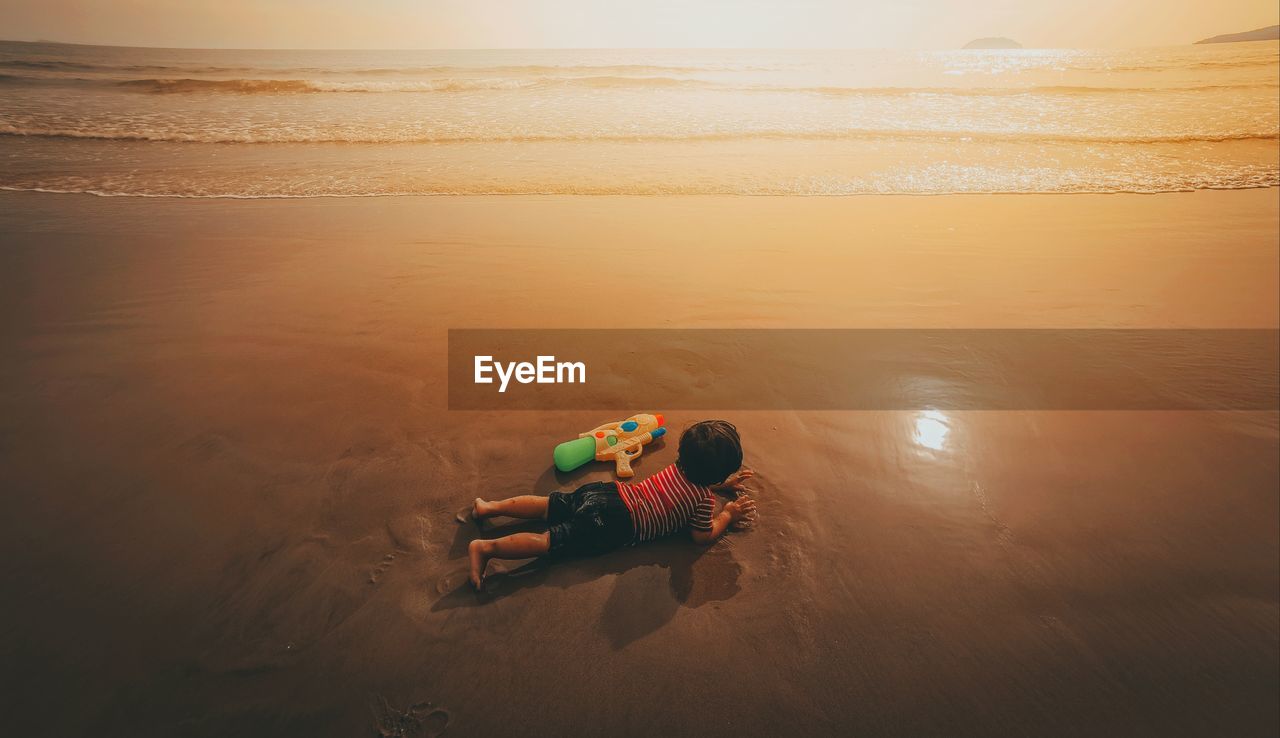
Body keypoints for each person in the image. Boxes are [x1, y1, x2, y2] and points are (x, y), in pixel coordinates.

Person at [462, 419, 756, 590]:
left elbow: (688, 484)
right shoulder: (703, 500)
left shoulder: (677, 468)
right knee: (549, 540)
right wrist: (727, 514)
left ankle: (490, 507)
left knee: (547, 506)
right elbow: (700, 535)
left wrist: (720, 484)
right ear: (715, 475)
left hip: (609, 493)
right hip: (616, 522)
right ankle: (486, 548)